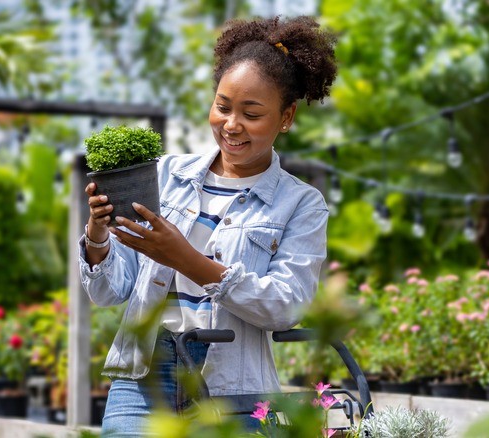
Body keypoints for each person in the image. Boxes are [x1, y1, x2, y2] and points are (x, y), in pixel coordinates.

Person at [79, 15, 337, 436]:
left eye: (251, 113)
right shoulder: (164, 175)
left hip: (231, 384)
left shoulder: (301, 204)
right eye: (222, 107)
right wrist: (97, 235)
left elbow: (286, 307)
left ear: (286, 117)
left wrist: (186, 259)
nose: (231, 125)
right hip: (144, 375)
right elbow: (109, 291)